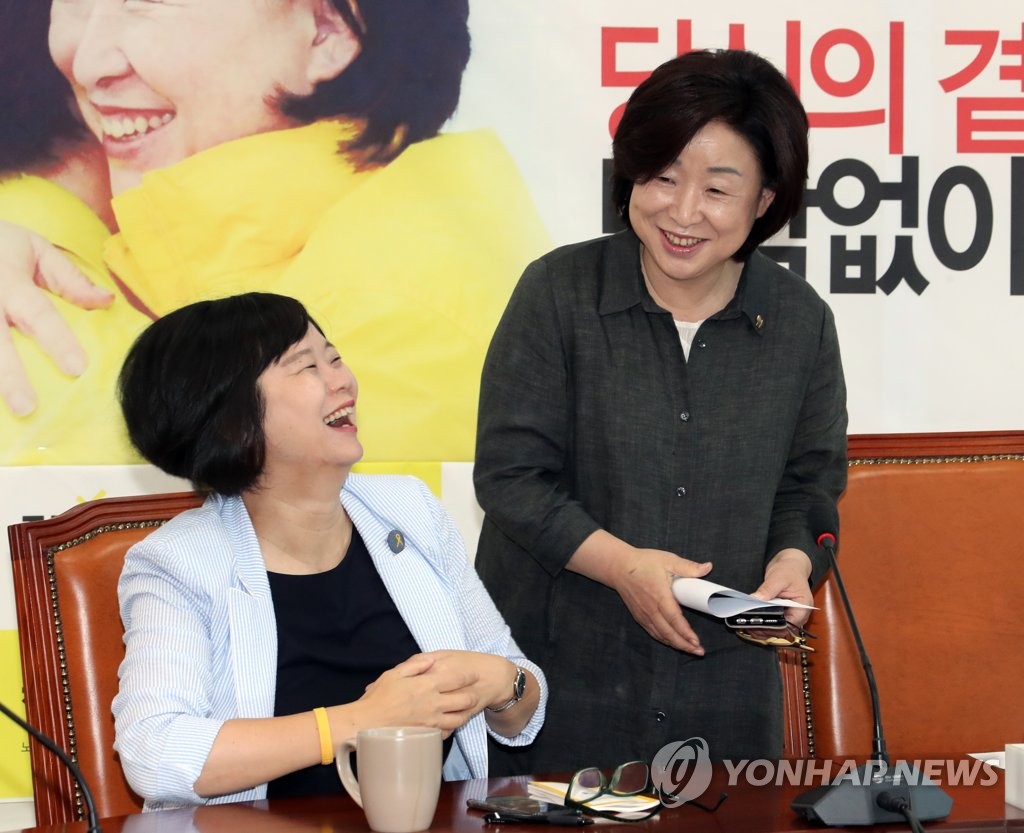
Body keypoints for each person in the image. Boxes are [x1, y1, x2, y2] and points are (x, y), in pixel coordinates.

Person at [473, 49, 848, 773]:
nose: (682, 211)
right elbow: (511, 478)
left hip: (724, 686)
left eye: (717, 188)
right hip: (560, 678)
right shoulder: (558, 293)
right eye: (663, 177)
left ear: (764, 200)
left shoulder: (800, 323)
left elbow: (810, 485)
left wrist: (793, 561)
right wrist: (623, 567)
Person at [0, 0, 550, 471]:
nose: (87, 62)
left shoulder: (395, 318)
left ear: (327, 31)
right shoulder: (216, 248)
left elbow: (253, 546)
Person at [113, 292, 546, 809]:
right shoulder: (179, 562)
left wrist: (503, 684)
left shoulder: (409, 511)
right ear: (233, 420)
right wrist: (360, 721)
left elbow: (521, 705)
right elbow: (155, 752)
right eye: (307, 366)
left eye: (335, 357)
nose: (343, 381)